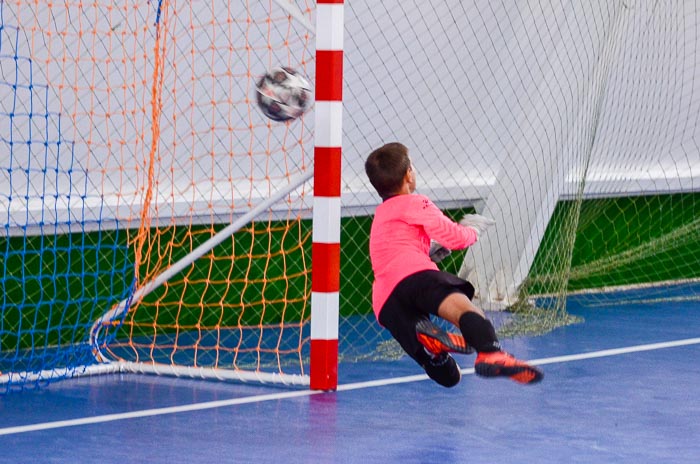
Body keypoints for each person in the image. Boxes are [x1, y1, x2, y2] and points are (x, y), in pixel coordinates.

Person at [364, 142, 543, 387]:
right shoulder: (415, 202)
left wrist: (428, 251)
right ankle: (492, 353)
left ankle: (434, 354)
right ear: (408, 175)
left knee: (449, 376)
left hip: (385, 303)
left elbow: (394, 254)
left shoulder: (381, 217)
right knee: (465, 311)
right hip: (415, 277)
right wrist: (471, 231)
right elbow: (455, 238)